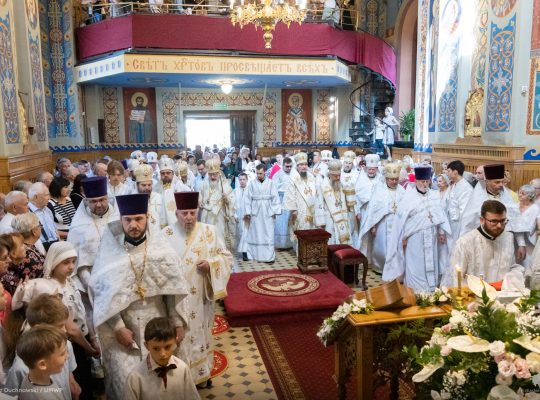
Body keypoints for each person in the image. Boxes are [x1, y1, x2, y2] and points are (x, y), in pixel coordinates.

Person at [89, 193, 189, 399]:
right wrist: (117, 328)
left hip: (160, 322)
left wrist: (177, 321)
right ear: (121, 220)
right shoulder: (109, 253)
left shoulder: (161, 250)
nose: (133, 224)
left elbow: (172, 291)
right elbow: (103, 295)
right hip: (125, 330)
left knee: (165, 382)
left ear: (147, 217)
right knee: (128, 384)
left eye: (138, 219)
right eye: (128, 220)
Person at [11, 242, 98, 400]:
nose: (71, 266)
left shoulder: (70, 282)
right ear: (54, 262)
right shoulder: (49, 289)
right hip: (71, 341)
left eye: (73, 261)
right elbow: (69, 327)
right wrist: (88, 347)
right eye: (66, 262)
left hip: (74, 341)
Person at [163, 191, 232, 387]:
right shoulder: (165, 235)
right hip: (177, 300)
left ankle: (202, 374)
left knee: (202, 334)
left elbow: (226, 257)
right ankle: (182, 378)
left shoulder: (210, 231)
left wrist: (211, 264)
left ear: (198, 211)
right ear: (176, 213)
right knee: (180, 337)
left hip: (202, 297)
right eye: (184, 213)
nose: (189, 217)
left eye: (193, 213)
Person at [382, 166, 451, 292]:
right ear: (416, 181)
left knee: (432, 263)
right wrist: (403, 237)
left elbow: (440, 215)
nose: (425, 184)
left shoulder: (434, 196)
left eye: (427, 181)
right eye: (422, 181)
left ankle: (431, 291)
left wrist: (441, 231)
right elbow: (400, 221)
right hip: (415, 239)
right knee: (416, 265)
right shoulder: (409, 198)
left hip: (432, 235)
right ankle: (416, 291)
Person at [5, 294, 80, 400]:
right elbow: (10, 393)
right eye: (60, 326)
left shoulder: (65, 345)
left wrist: (71, 381)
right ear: (39, 328)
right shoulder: (22, 366)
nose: (65, 330)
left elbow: (68, 370)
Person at [460, 164, 527, 262]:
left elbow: (516, 222)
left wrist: (521, 244)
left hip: (504, 244)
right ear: (487, 181)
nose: (501, 185)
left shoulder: (507, 199)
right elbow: (467, 225)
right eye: (497, 182)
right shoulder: (477, 200)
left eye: (502, 181)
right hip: (483, 244)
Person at [122, 317, 200, 400]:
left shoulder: (183, 368)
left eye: (167, 347)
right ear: (146, 346)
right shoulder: (135, 377)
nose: (162, 354)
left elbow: (192, 397)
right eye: (156, 348)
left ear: (175, 342)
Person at [443, 200, 518, 285]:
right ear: (482, 220)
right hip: (475, 296)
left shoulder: (508, 238)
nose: (499, 226)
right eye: (494, 221)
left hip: (503, 295)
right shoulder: (465, 243)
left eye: (503, 221)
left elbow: (512, 267)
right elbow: (457, 278)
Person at [358, 163, 405, 274]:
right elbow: (373, 210)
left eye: (395, 179)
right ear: (386, 179)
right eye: (391, 179)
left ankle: (395, 269)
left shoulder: (402, 190)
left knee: (397, 248)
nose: (393, 182)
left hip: (398, 223)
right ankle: (380, 267)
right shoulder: (379, 190)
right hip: (382, 223)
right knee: (382, 248)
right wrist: (373, 226)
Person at [16, 325, 68, 400]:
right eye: (62, 354)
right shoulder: (44, 397)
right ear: (42, 364)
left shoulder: (30, 378)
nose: (67, 356)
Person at [244, 164, 281, 262]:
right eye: (257, 173)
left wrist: (274, 210)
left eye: (260, 173)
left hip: (267, 211)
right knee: (255, 233)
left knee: (268, 233)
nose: (258, 175)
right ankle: (254, 255)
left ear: (264, 172)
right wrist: (248, 211)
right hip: (255, 211)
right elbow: (247, 199)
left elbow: (275, 197)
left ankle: (269, 257)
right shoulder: (251, 183)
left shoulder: (271, 183)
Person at [198, 159, 236, 253]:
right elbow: (200, 196)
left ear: (218, 173)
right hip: (206, 215)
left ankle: (221, 254)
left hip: (219, 215)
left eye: (214, 174)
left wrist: (226, 198)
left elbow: (232, 199)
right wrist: (199, 201)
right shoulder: (204, 183)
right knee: (207, 235)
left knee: (219, 234)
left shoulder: (224, 184)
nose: (212, 176)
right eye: (210, 174)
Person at [2, 215, 45, 296]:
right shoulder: (26, 257)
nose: (25, 247)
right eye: (39, 226)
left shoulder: (30, 247)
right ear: (34, 231)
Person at [283, 152, 318, 253]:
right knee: (301, 231)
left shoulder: (311, 177)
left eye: (305, 164)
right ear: (297, 166)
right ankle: (301, 255)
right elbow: (289, 195)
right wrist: (293, 209)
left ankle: (311, 253)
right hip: (300, 211)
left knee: (312, 231)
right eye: (301, 165)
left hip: (311, 210)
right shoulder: (293, 179)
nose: (304, 167)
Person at [315, 159, 350, 245]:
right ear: (330, 174)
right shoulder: (322, 186)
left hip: (342, 217)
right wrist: (321, 222)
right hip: (329, 219)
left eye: (339, 175)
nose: (338, 178)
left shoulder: (341, 184)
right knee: (331, 242)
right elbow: (319, 204)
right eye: (335, 176)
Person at [445, 160, 473, 244]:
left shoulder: (466, 188)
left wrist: (462, 231)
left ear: (455, 172)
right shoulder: (454, 184)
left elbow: (464, 211)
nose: (447, 173)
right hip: (451, 222)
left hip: (458, 224)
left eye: (449, 171)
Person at [134, 164, 167, 230]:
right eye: (143, 185)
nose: (147, 188)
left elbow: (164, 218)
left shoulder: (158, 197)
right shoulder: (132, 200)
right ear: (137, 185)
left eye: (149, 185)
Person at [28, 182, 59, 251]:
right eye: (46, 195)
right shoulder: (27, 213)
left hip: (55, 244)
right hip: (41, 247)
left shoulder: (47, 210)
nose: (49, 198)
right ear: (36, 197)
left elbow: (55, 230)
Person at [355, 154, 382, 230]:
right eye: (369, 169)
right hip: (364, 211)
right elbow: (356, 196)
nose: (371, 171)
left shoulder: (381, 179)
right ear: (366, 168)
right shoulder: (361, 179)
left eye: (373, 169)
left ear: (377, 169)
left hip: (377, 212)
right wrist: (358, 212)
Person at [272, 157, 294, 250]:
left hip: (291, 199)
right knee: (281, 222)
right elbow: (273, 189)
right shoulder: (277, 174)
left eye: (290, 166)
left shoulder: (294, 173)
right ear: (283, 165)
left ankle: (290, 243)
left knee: (290, 222)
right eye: (287, 166)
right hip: (281, 199)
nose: (289, 168)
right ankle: (280, 244)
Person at [517, 184, 540, 268]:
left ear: (530, 196)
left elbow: (532, 226)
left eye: (523, 194)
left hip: (528, 240)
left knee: (526, 263)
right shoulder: (516, 205)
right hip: (516, 238)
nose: (520, 195)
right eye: (519, 192)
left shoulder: (535, 208)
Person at [341, 151, 359, 244]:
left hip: (352, 206)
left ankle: (353, 244)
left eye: (350, 163)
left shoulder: (356, 174)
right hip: (341, 205)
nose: (348, 165)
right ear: (343, 163)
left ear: (352, 164)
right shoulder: (339, 174)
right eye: (346, 163)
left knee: (352, 225)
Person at [234, 172, 249, 261]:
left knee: (246, 234)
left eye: (244, 179)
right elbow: (233, 205)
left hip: (248, 216)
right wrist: (235, 215)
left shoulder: (250, 190)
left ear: (247, 180)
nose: (242, 181)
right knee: (240, 233)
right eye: (240, 179)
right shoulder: (235, 191)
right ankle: (244, 252)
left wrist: (249, 214)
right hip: (239, 216)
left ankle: (245, 253)